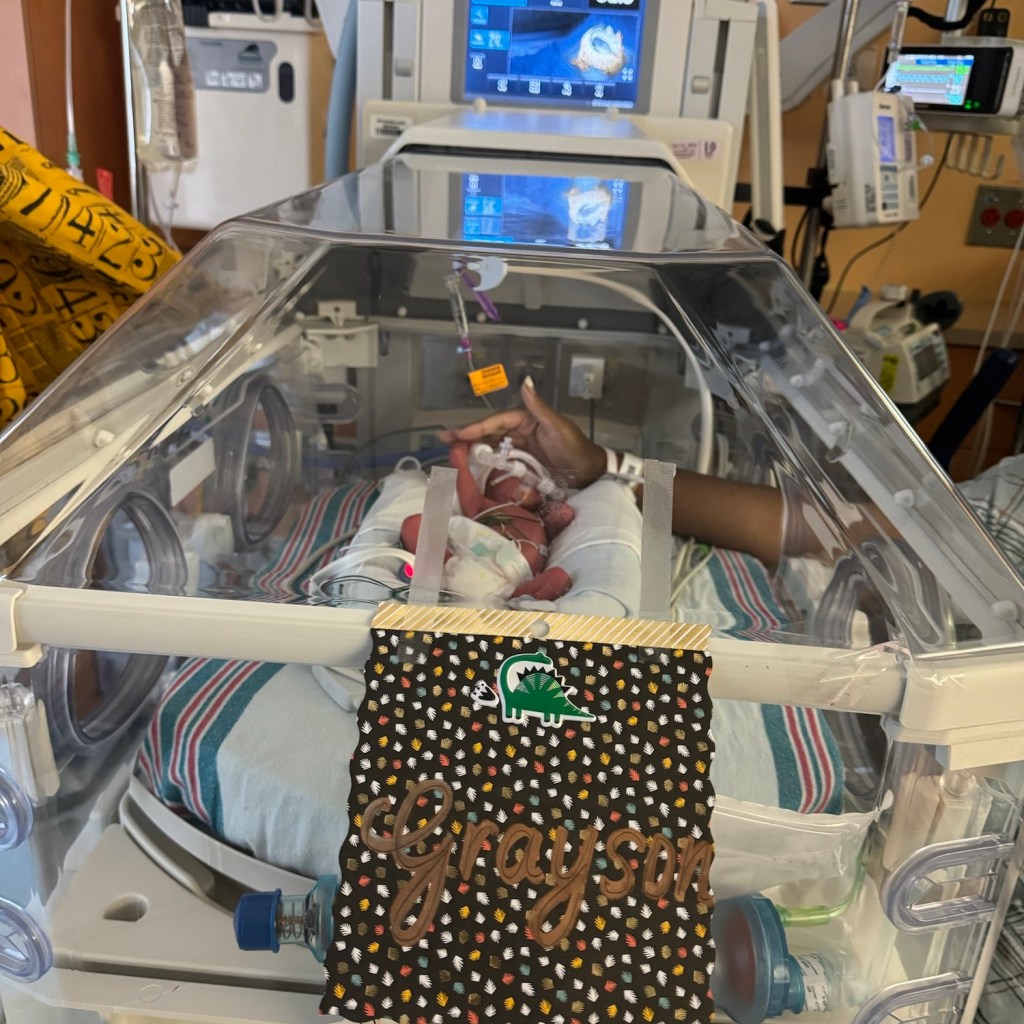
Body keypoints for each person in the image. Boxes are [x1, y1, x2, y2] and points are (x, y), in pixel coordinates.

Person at [441, 376, 788, 568]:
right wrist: (599, 466)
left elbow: (790, 527)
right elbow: (786, 523)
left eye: (518, 477)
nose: (519, 484)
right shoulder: (485, 510)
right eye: (501, 478)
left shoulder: (539, 508)